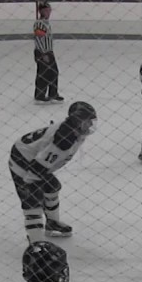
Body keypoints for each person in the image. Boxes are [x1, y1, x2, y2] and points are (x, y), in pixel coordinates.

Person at [10, 101, 97, 242]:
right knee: (32, 202)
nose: (90, 126)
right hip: (22, 159)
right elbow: (37, 168)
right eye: (87, 122)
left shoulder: (71, 131)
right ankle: (36, 245)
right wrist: (29, 188)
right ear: (76, 121)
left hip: (33, 158)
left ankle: (52, 224)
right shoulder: (63, 140)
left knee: (52, 187)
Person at [33, 1, 62, 103]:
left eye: (49, 10)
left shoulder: (46, 23)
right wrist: (43, 54)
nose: (49, 12)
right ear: (41, 11)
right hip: (43, 52)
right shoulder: (39, 23)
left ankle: (53, 93)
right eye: (46, 10)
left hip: (48, 51)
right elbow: (39, 38)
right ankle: (40, 96)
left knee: (54, 72)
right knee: (43, 73)